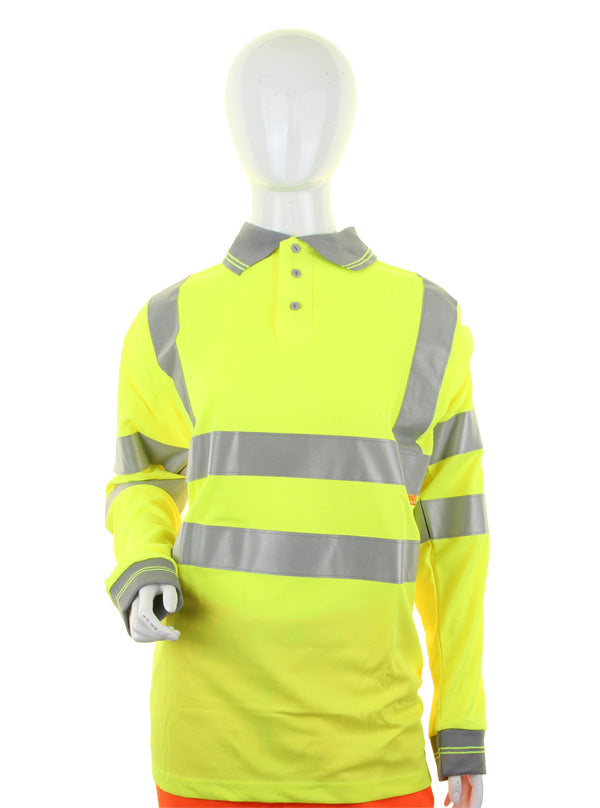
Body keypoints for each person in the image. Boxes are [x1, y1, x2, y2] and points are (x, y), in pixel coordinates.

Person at [104, 28, 488, 808]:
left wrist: (460, 725)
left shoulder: (430, 321)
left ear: (348, 123)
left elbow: (456, 543)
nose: (285, 126)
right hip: (206, 741)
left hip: (371, 749)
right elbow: (141, 477)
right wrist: (142, 568)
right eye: (262, 104)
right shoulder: (168, 320)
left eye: (313, 102)